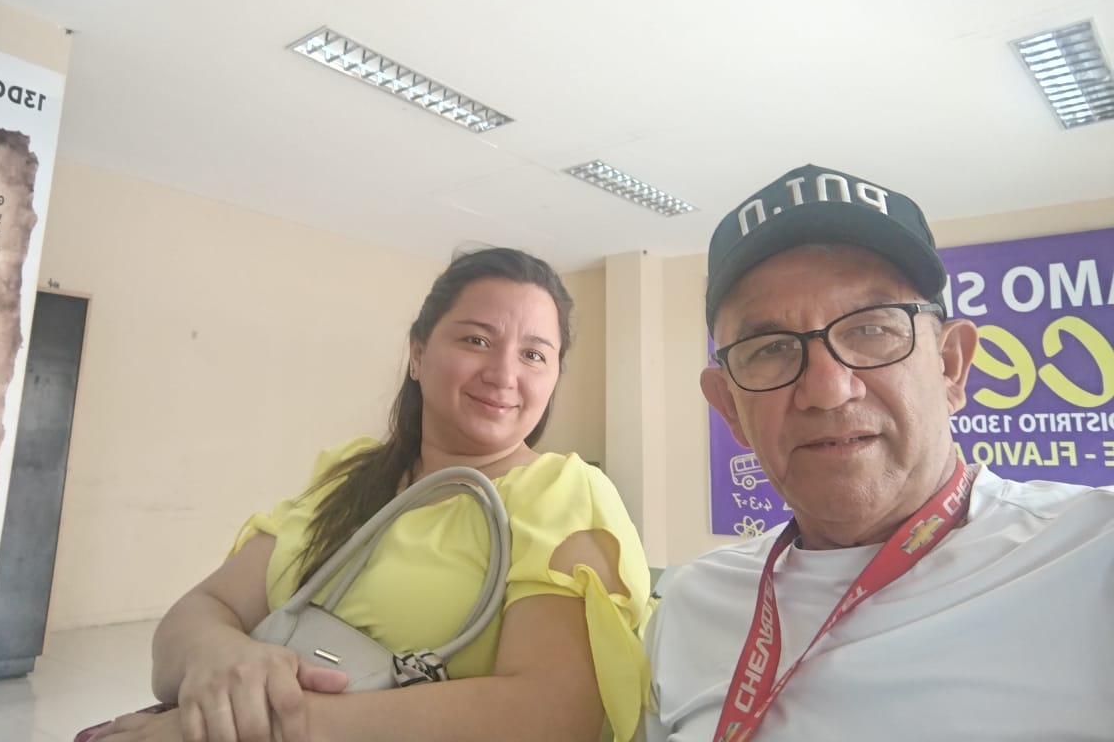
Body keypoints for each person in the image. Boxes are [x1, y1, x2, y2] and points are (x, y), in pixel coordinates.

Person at [93, 247, 652, 742]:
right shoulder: (351, 473)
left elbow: (552, 718)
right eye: (477, 340)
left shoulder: (561, 493)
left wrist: (277, 725)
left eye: (534, 354)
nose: (504, 374)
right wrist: (223, 658)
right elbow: (196, 616)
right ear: (418, 352)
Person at [641, 164, 1114, 741]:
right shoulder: (689, 606)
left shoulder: (1092, 555)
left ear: (951, 366)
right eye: (770, 349)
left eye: (871, 330)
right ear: (730, 408)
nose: (827, 389)